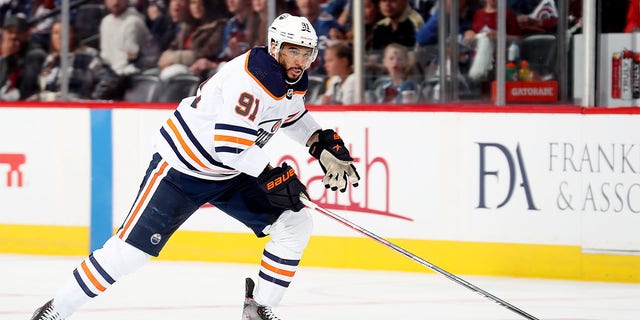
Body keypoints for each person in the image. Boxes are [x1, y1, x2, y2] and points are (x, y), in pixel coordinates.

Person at [29, 13, 360, 320]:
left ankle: (259, 310)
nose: (300, 61)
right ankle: (55, 310)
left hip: (230, 172)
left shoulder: (287, 78)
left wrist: (319, 142)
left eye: (307, 53)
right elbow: (229, 146)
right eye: (293, 51)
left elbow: (290, 115)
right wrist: (273, 174)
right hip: (182, 171)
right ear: (274, 47)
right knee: (129, 254)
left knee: (295, 223)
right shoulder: (250, 79)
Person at [29, 20, 121, 101]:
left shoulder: (88, 55)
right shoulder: (50, 60)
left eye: (64, 32)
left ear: (73, 34)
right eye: (55, 33)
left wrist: (92, 100)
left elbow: (110, 79)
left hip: (76, 109)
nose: (60, 37)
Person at [157, 0, 228, 80]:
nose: (197, 7)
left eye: (201, 3)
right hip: (181, 68)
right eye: (193, 3)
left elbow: (205, 53)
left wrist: (173, 58)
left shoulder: (218, 26)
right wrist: (167, 58)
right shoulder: (187, 26)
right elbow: (173, 47)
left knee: (170, 74)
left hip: (200, 73)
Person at [99, 0, 160, 76]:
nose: (116, 2)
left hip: (137, 73)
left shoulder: (133, 21)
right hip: (112, 73)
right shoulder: (105, 21)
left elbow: (132, 57)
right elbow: (105, 54)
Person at [0, 14, 47, 101]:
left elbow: (26, 89)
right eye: (10, 32)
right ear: (3, 34)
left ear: (27, 34)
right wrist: (6, 58)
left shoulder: (35, 54)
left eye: (18, 32)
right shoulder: (3, 55)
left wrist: (8, 58)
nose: (14, 36)